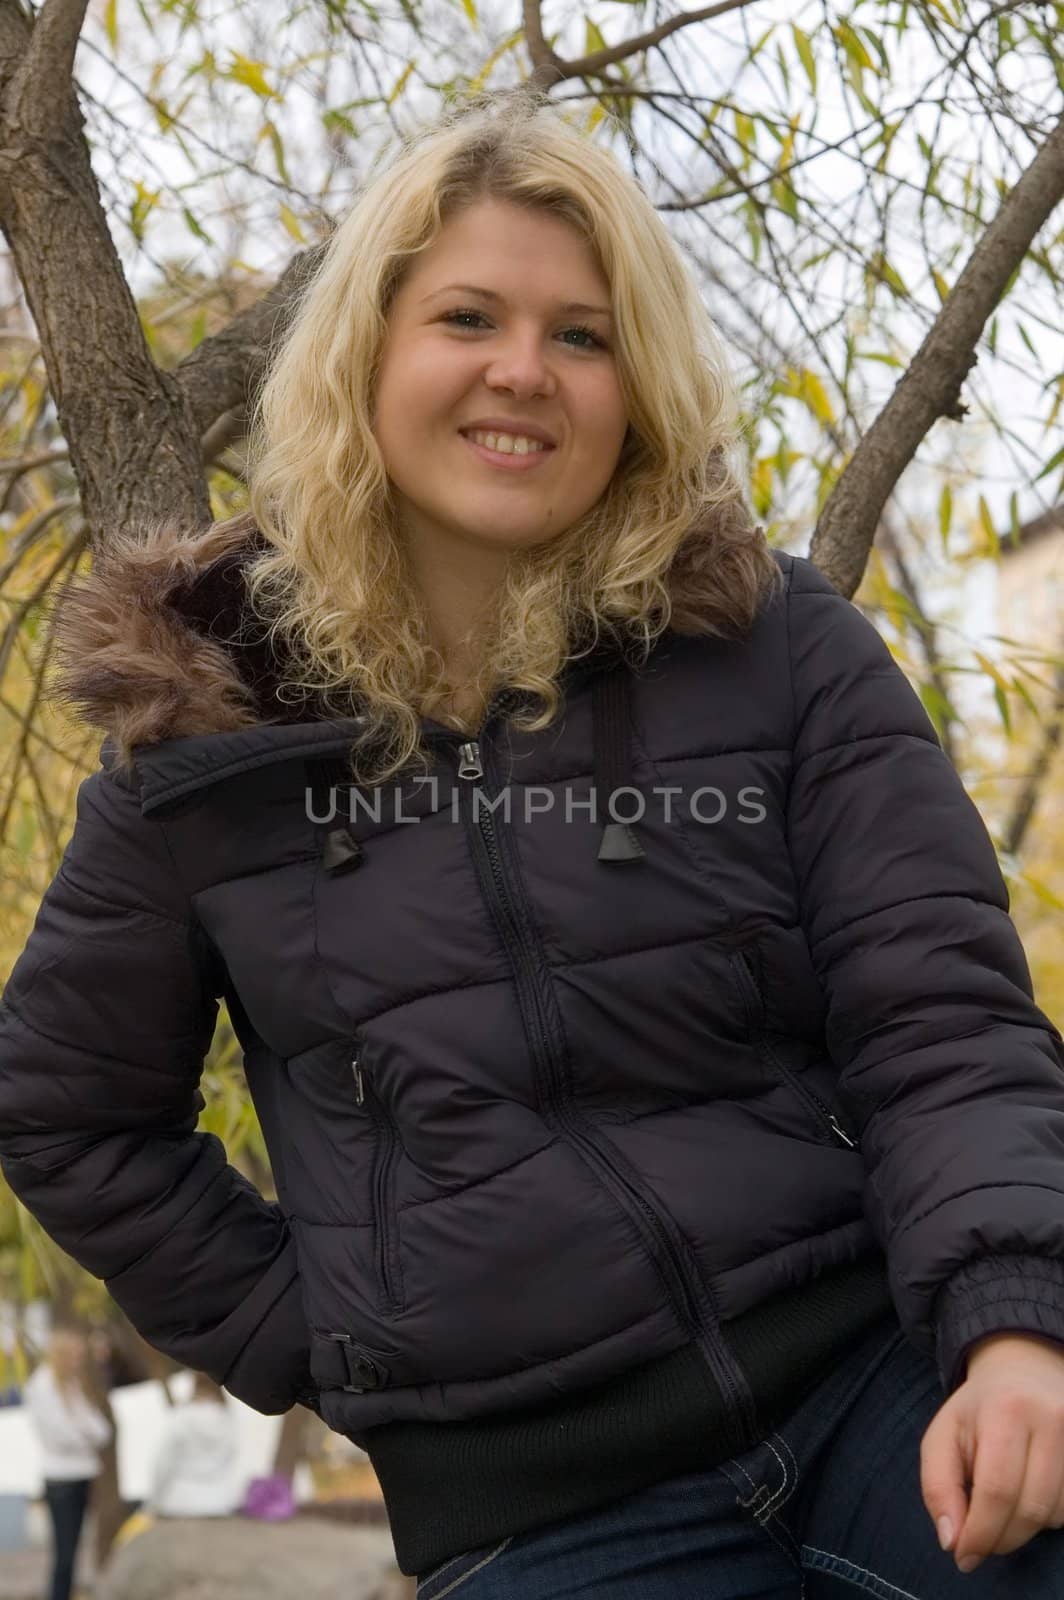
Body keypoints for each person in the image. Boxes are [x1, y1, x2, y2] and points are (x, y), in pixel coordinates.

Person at [1, 86, 1064, 1597]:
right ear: (366, 352)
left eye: (584, 333)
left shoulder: (778, 649)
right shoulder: (208, 736)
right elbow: (65, 1113)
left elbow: (942, 1016)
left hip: (881, 1385)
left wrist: (1017, 1327)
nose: (526, 371)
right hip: (539, 1509)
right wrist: (332, 1333)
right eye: (468, 318)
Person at [23, 1327, 112, 1600]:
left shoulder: (71, 1385)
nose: (78, 1361)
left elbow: (101, 1430)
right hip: (62, 1480)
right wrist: (84, 1434)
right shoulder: (43, 1385)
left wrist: (83, 1432)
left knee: (75, 1552)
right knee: (64, 1554)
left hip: (82, 1474)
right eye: (74, 1355)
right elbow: (60, 1435)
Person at [147, 1373, 245, 1519]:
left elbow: (163, 1462)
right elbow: (232, 1456)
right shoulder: (227, 1419)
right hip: (219, 1502)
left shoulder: (181, 1417)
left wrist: (153, 1501)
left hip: (179, 1502)